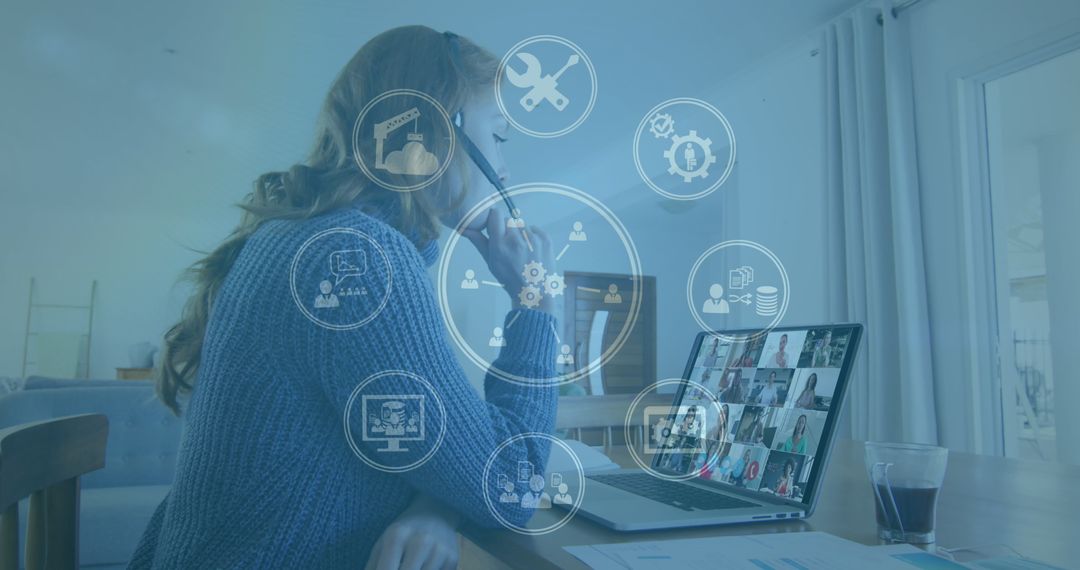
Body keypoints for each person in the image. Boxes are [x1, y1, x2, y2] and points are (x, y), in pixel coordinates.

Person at [132, 26, 563, 570]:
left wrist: (438, 506)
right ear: (438, 129)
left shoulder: (324, 240)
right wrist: (536, 305)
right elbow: (512, 486)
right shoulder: (360, 261)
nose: (504, 167)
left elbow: (445, 453)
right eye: (497, 137)